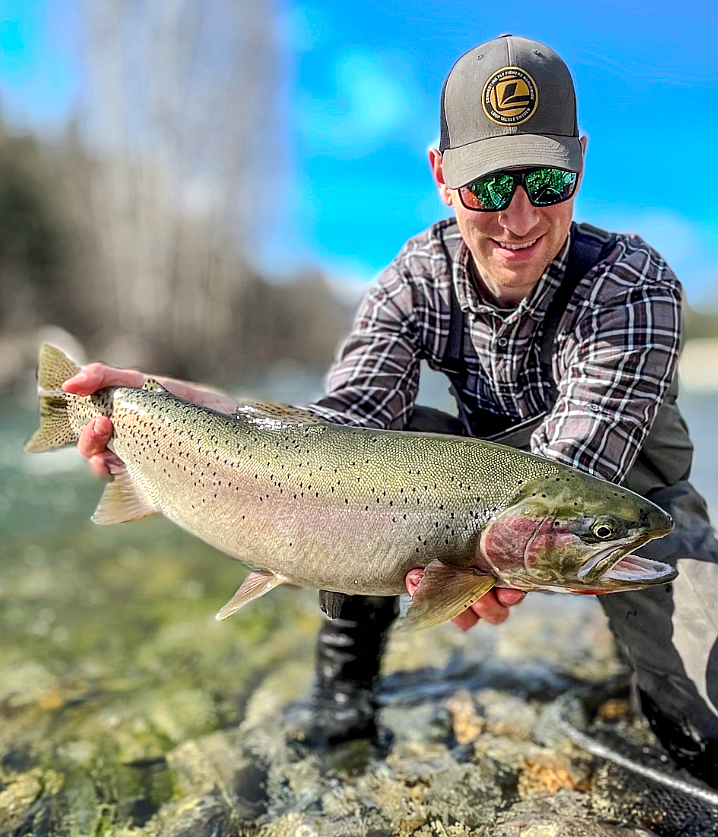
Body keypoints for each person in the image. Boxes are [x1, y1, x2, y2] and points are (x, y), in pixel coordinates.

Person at [64, 35, 718, 785]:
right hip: (477, 506)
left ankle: (650, 668)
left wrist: (487, 564)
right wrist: (199, 417)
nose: (519, 216)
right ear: (442, 176)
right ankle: (345, 689)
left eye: (545, 178)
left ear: (580, 163)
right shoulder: (413, 280)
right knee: (360, 466)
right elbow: (339, 424)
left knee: (707, 721)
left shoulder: (632, 283)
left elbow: (574, 470)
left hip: (615, 499)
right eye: (488, 186)